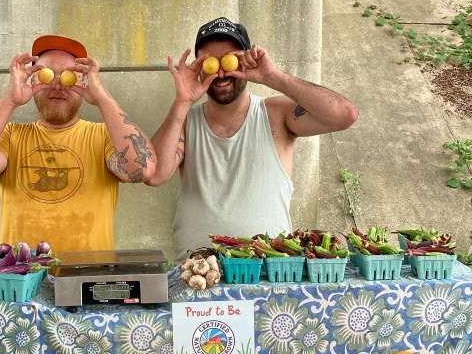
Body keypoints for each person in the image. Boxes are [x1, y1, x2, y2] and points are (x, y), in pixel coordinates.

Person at [146, 17, 359, 261]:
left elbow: (345, 115)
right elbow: (155, 174)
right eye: (210, 63)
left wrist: (272, 76)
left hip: (270, 276)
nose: (222, 72)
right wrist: (182, 102)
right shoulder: (184, 120)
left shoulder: (276, 115)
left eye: (231, 59)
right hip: (199, 275)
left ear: (246, 60)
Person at [0, 34, 156, 253]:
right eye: (47, 76)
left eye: (69, 75)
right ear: (32, 81)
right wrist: (9, 100)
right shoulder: (10, 136)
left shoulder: (105, 136)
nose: (58, 85)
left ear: (83, 82)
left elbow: (142, 170)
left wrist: (103, 98)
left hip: (86, 278)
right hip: (23, 279)